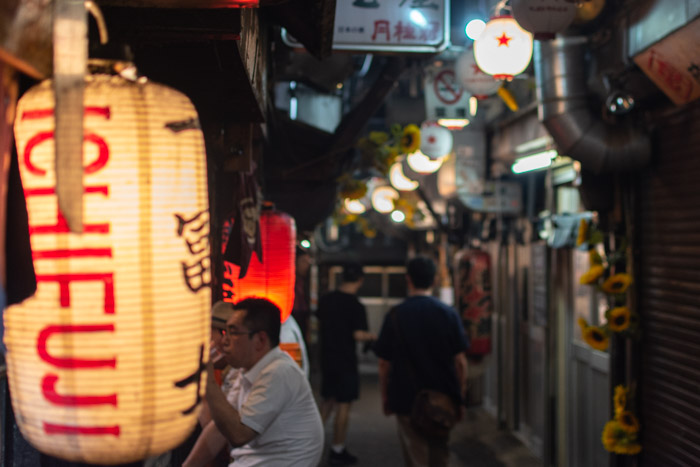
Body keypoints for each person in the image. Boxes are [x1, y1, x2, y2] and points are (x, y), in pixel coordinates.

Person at [183, 298, 324, 467]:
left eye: (233, 332)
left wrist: (208, 381)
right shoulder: (247, 369)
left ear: (260, 340)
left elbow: (238, 435)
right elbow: (217, 431)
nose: (224, 341)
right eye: (223, 332)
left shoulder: (279, 372)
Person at [374, 256, 469, 467]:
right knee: (440, 454)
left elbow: (384, 364)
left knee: (416, 456)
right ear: (434, 281)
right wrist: (460, 398)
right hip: (443, 399)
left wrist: (385, 396)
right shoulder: (448, 314)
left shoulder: (395, 315)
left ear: (408, 280)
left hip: (406, 397)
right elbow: (460, 362)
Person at [317, 261, 376, 465]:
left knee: (327, 402)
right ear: (360, 280)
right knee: (344, 404)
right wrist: (371, 336)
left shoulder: (326, 300)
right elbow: (358, 334)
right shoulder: (356, 305)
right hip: (345, 360)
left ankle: (309, 443)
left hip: (327, 357)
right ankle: (337, 448)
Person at [291, 247, 312, 345]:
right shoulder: (288, 284)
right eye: (303, 261)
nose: (307, 265)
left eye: (308, 262)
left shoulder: (303, 283)